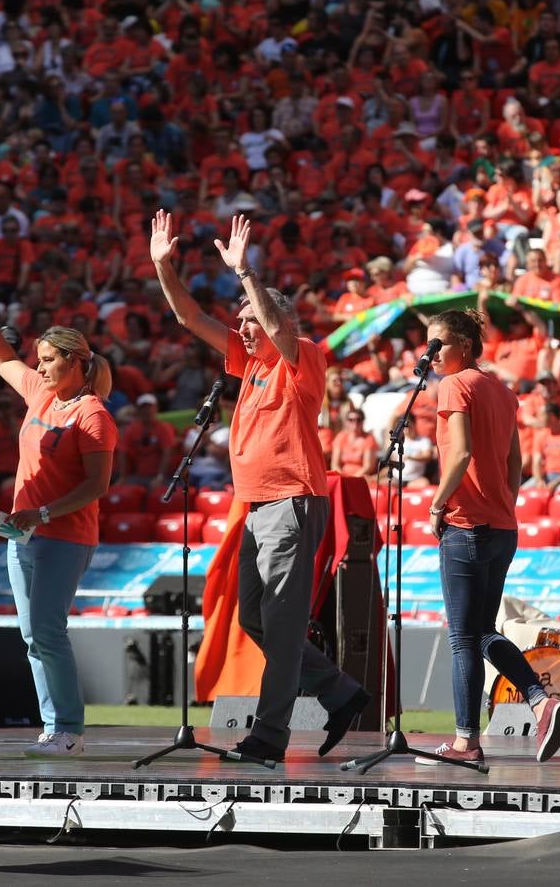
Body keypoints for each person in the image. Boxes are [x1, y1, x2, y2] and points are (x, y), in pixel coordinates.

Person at [149, 210, 367, 765]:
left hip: (291, 502)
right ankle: (340, 693)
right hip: (257, 507)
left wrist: (246, 274)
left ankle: (269, 737)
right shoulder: (247, 366)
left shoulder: (303, 358)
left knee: (285, 625)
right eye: (240, 320)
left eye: (251, 319)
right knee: (254, 618)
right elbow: (188, 314)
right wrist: (162, 265)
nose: (243, 327)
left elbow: (275, 327)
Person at [0, 269, 116, 757]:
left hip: (65, 535)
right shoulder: (40, 393)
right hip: (23, 533)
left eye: (51, 360)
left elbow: (97, 484)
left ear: (75, 362)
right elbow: (1, 356)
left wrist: (46, 513)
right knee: (33, 633)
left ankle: (68, 727)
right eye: (41, 361)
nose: (42, 367)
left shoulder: (92, 413)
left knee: (48, 629)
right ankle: (54, 724)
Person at [425, 308, 560, 764]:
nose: (431, 353)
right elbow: (516, 464)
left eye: (439, 344)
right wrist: (502, 500)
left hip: (465, 526)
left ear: (464, 346)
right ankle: (542, 701)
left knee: (464, 639)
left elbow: (461, 453)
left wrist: (437, 504)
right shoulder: (503, 392)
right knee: (483, 631)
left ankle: (466, 741)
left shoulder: (452, 385)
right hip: (503, 528)